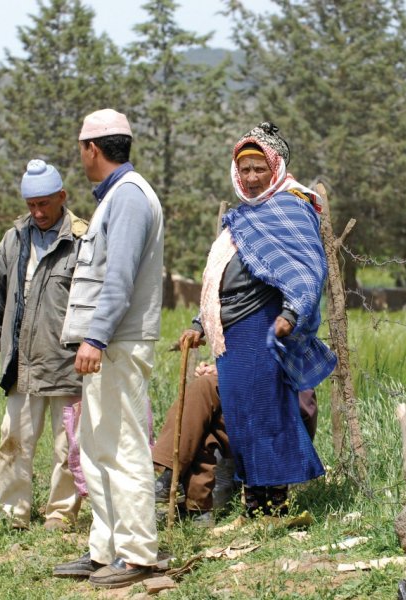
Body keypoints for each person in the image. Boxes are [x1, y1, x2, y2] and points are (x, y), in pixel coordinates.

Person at [179, 121, 336, 518]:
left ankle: (274, 507)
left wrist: (289, 313)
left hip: (261, 326)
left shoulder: (290, 207)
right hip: (231, 333)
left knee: (267, 415)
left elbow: (307, 270)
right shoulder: (240, 218)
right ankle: (255, 505)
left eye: (258, 170)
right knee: (241, 419)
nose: (250, 178)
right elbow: (222, 277)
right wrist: (200, 324)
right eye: (244, 170)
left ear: (275, 168)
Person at [52, 108, 164, 590]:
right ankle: (106, 549)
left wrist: (95, 336)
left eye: (81, 149)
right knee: (96, 447)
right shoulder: (117, 197)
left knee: (122, 447)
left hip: (117, 342)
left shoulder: (130, 199)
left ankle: (137, 552)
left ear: (91, 149)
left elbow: (117, 278)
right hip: (107, 343)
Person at [0, 159, 87, 532]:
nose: (37, 212)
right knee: (14, 438)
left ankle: (61, 514)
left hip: (68, 363)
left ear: (61, 197)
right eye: (31, 205)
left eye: (44, 204)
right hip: (21, 363)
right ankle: (12, 514)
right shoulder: (14, 239)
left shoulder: (83, 239)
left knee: (67, 444)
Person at [151, 362, 319, 525]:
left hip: (281, 419)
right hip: (250, 408)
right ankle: (196, 508)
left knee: (204, 389)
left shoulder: (283, 338)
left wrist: (228, 369)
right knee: (206, 415)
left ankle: (180, 486)